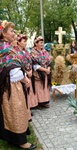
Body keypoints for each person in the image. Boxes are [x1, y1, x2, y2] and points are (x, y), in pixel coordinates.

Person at [0, 20, 36, 149]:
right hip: (12, 87)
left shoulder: (5, 47)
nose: (14, 34)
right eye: (11, 31)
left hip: (7, 87)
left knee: (8, 113)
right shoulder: (6, 49)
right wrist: (24, 79)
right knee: (16, 112)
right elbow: (14, 72)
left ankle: (11, 138)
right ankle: (21, 142)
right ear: (3, 34)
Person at [16, 34, 36, 121]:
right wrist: (26, 72)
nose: (25, 43)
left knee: (28, 93)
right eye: (24, 41)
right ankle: (26, 113)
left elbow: (30, 61)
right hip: (22, 75)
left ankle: (28, 110)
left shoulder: (25, 51)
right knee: (24, 94)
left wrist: (31, 70)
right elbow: (18, 65)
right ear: (18, 42)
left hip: (29, 74)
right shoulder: (16, 52)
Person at [30, 36, 51, 109]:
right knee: (39, 88)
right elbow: (35, 65)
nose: (42, 44)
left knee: (45, 87)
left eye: (42, 43)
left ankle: (45, 102)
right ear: (36, 43)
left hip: (46, 73)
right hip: (38, 74)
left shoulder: (45, 52)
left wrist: (48, 68)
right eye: (40, 43)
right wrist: (45, 70)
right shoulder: (33, 52)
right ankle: (39, 103)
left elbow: (49, 62)